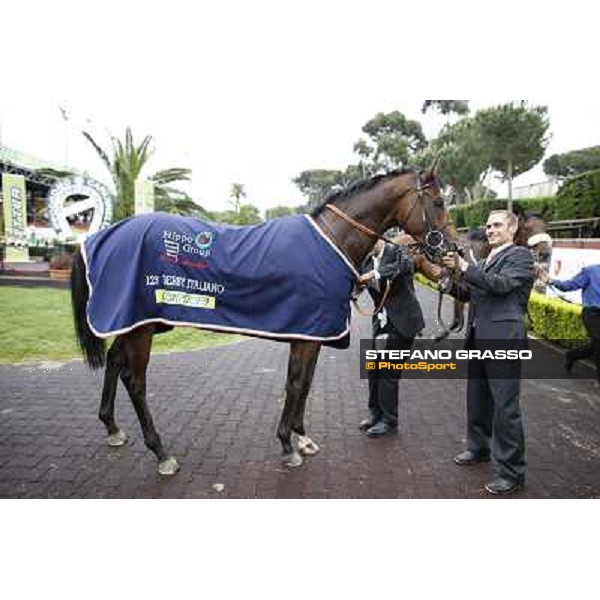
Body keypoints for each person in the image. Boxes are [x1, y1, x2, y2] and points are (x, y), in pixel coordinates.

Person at [441, 210, 535, 495]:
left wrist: (466, 268)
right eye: (488, 226)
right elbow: (474, 293)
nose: (490, 230)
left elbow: (501, 286)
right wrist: (449, 282)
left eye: (497, 225)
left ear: (513, 228)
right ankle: (478, 448)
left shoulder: (520, 256)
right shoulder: (486, 260)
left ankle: (512, 472)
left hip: (504, 339)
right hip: (479, 337)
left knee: (506, 408)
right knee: (478, 398)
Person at [358, 238, 425, 437]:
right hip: (381, 323)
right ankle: (375, 414)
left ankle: (389, 420)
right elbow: (360, 282)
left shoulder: (398, 251)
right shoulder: (366, 261)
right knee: (373, 368)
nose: (367, 246)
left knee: (388, 371)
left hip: (404, 322)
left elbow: (406, 266)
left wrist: (375, 273)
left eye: (370, 241)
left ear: (379, 236)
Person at [547, 264, 600, 384]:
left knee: (596, 345)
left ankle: (572, 355)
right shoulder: (590, 271)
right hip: (593, 314)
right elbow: (570, 285)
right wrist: (550, 280)